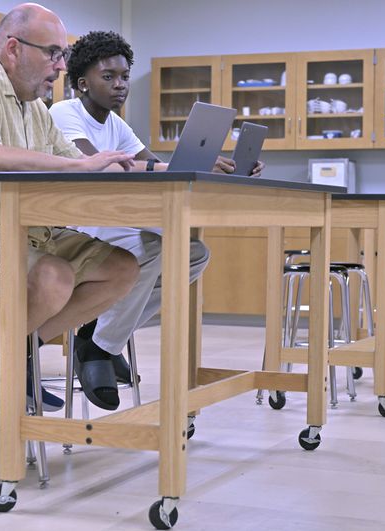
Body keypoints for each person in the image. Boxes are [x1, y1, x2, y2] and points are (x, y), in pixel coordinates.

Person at [0, 5, 141, 423]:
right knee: (53, 276)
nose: (61, 66)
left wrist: (172, 168)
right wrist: (78, 165)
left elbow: (92, 164)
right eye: (53, 53)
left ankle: (14, 352)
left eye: (62, 54)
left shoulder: (33, 106)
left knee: (122, 268)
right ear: (13, 48)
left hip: (25, 230)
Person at [49, 30, 264, 396]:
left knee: (194, 254)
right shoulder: (63, 112)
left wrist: (215, 165)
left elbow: (155, 164)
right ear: (83, 84)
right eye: (109, 77)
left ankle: (98, 332)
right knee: (156, 247)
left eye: (124, 77)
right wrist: (185, 166)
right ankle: (101, 346)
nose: (120, 85)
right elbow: (102, 167)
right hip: (73, 226)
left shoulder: (116, 124)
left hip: (114, 219)